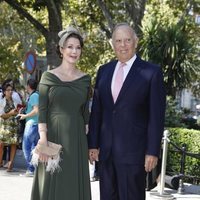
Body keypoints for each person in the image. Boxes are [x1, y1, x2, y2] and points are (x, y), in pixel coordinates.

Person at [88, 23, 166, 200]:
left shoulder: (152, 72)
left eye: (127, 40)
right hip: (106, 153)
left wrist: (152, 151)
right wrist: (93, 144)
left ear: (136, 42)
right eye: (118, 41)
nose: (123, 45)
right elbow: (97, 111)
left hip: (134, 154)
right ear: (112, 44)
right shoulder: (104, 71)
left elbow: (156, 116)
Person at [31, 26, 91, 200]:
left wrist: (90, 144)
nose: (74, 51)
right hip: (52, 137)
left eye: (78, 47)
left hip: (77, 139)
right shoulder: (48, 77)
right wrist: (43, 139)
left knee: (72, 183)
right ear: (61, 49)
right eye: (70, 47)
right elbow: (42, 110)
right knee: (51, 183)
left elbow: (85, 112)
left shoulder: (86, 79)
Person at [18, 79, 39, 176]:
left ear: (28, 86)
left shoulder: (34, 96)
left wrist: (25, 116)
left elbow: (36, 110)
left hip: (32, 124)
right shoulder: (35, 95)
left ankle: (31, 169)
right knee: (33, 148)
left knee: (26, 147)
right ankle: (34, 169)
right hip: (36, 124)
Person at [0, 83, 19, 172]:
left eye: (11, 90)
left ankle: (10, 164)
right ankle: (0, 162)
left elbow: (19, 112)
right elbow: (2, 115)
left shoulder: (15, 101)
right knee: (1, 144)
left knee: (13, 144)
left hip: (14, 125)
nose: (10, 91)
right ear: (4, 92)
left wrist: (18, 111)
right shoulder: (1, 101)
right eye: (8, 90)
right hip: (4, 126)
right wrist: (11, 113)